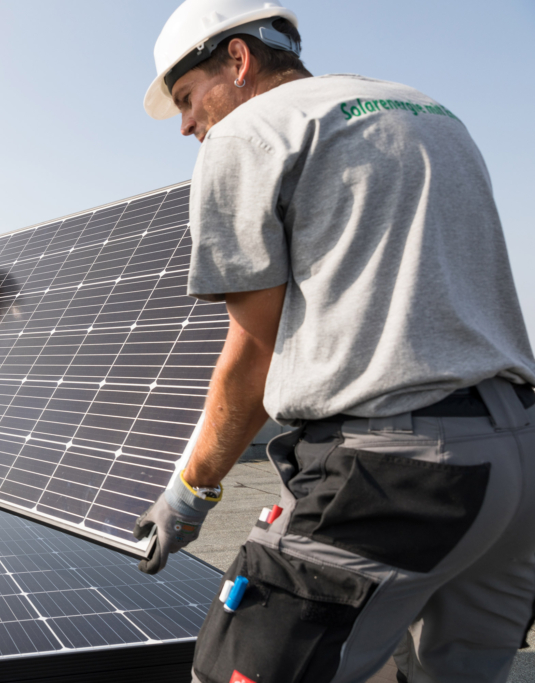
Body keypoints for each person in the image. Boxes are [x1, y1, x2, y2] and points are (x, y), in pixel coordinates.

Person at [133, 1, 535, 681]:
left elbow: (255, 355)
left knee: (231, 670)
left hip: (399, 475)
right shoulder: (428, 110)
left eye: (187, 96)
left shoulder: (247, 136)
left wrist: (187, 493)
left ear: (237, 59)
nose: (187, 124)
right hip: (518, 465)